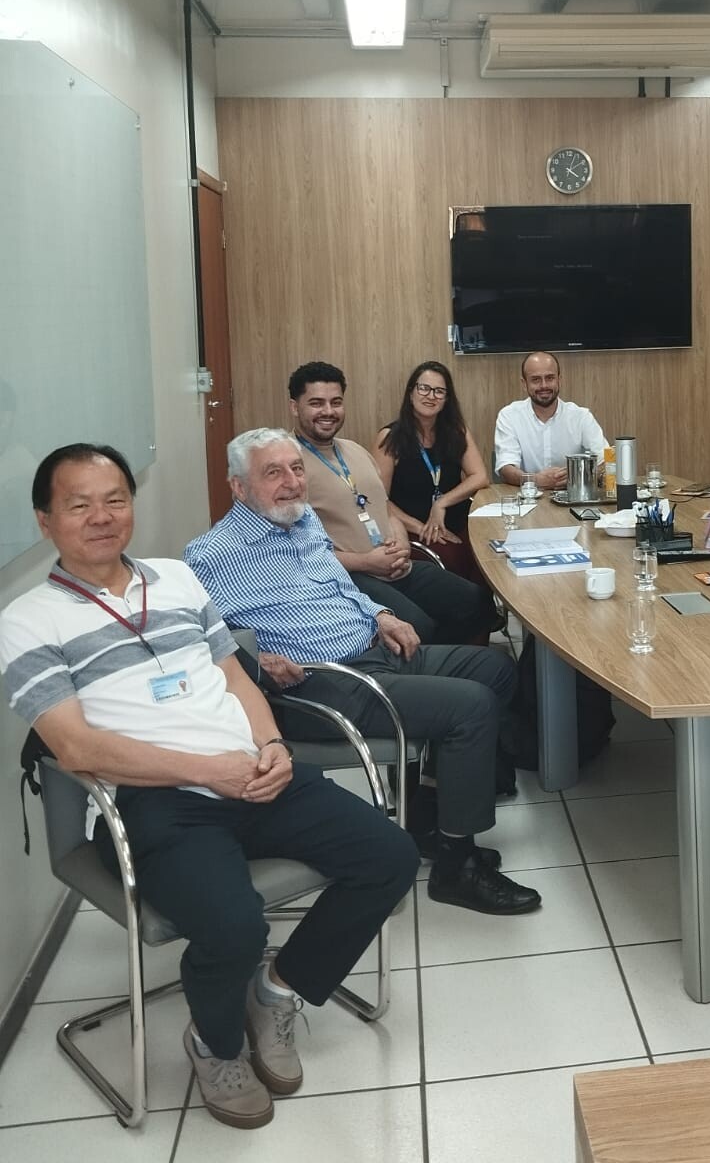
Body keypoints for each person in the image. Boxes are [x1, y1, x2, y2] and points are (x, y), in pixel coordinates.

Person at [0, 443, 418, 1130]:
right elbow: (73, 746)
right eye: (79, 506)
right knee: (233, 924)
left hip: (252, 775)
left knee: (391, 857)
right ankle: (215, 1044)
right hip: (152, 804)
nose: (102, 518)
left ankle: (278, 991)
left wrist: (272, 746)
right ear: (46, 520)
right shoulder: (29, 620)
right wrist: (205, 771)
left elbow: (234, 677)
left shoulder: (175, 580)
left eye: (115, 500)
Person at [185, 429, 540, 918]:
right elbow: (200, 646)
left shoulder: (303, 520)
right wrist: (258, 664)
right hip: (318, 684)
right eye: (273, 473)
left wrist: (380, 615)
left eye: (295, 469)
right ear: (239, 487)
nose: (291, 483)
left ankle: (428, 820)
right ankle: (457, 867)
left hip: (371, 650)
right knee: (470, 706)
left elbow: (339, 586)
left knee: (494, 666)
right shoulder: (207, 556)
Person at [288, 360, 496, 644]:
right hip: (352, 575)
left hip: (396, 563)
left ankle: (461, 671)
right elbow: (291, 551)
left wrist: (400, 542)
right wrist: (365, 561)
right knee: (419, 625)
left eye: (335, 402)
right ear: (294, 407)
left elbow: (384, 506)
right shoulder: (289, 466)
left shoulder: (355, 452)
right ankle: (434, 677)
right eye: (316, 403)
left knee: (477, 601)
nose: (328, 411)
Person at [373, 360, 492, 589]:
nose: (431, 396)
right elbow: (378, 500)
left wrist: (442, 504)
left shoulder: (456, 432)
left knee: (490, 554)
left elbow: (480, 476)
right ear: (410, 393)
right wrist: (423, 528)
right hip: (415, 531)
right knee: (454, 560)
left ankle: (486, 619)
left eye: (439, 391)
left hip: (457, 523)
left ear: (447, 399)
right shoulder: (390, 438)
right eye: (424, 388)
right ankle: (469, 619)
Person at [494, 352, 607, 489]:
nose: (544, 386)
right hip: (527, 500)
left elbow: (607, 461)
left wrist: (577, 476)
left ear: (559, 380)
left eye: (550, 378)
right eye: (536, 379)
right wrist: (536, 480)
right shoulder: (509, 416)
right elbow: (506, 469)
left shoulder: (581, 417)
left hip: (573, 498)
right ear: (524, 384)